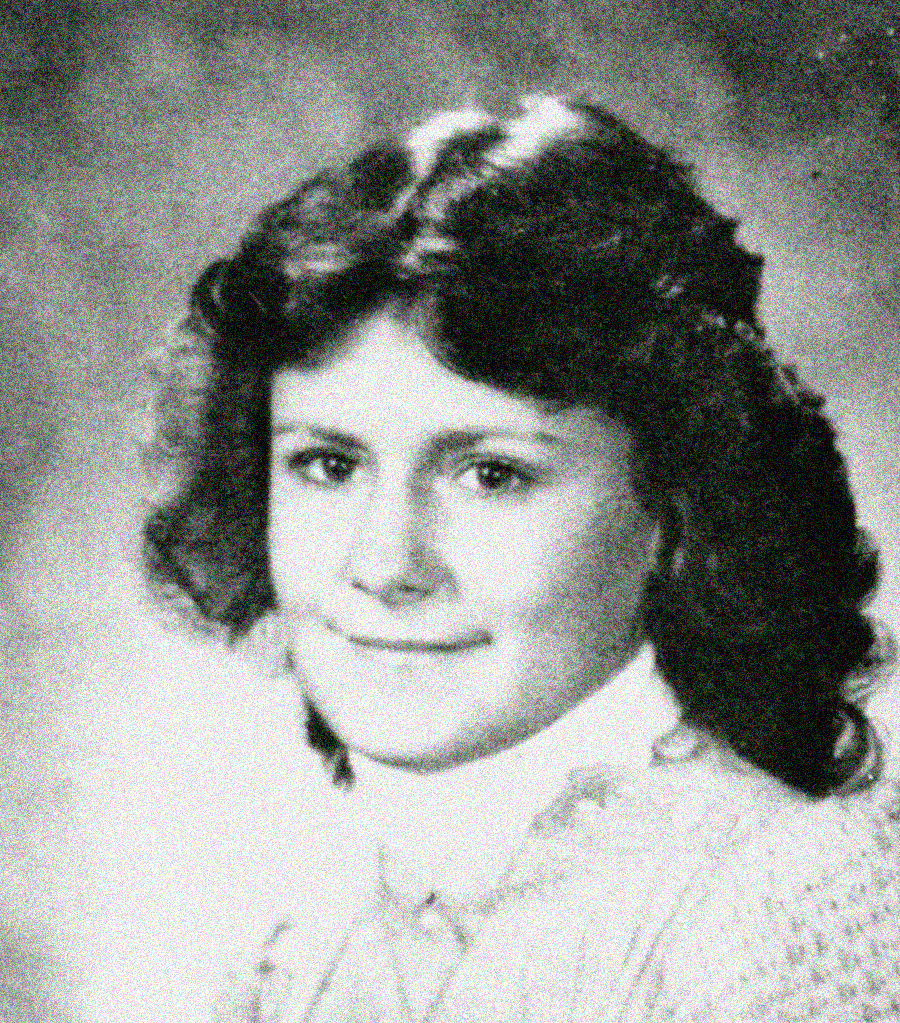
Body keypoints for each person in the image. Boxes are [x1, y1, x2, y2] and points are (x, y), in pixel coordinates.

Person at [141, 95, 900, 1021]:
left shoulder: (791, 907)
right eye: (328, 465)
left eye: (491, 474)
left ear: (678, 504)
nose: (385, 564)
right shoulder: (299, 941)